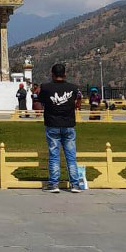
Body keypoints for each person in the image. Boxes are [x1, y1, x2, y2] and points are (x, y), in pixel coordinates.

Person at [39, 63, 81, 193]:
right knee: (71, 156)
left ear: (52, 74)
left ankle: (54, 183)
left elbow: (40, 101)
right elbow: (77, 103)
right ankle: (75, 184)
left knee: (54, 155)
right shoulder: (73, 88)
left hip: (52, 124)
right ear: (65, 74)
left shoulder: (46, 88)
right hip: (69, 124)